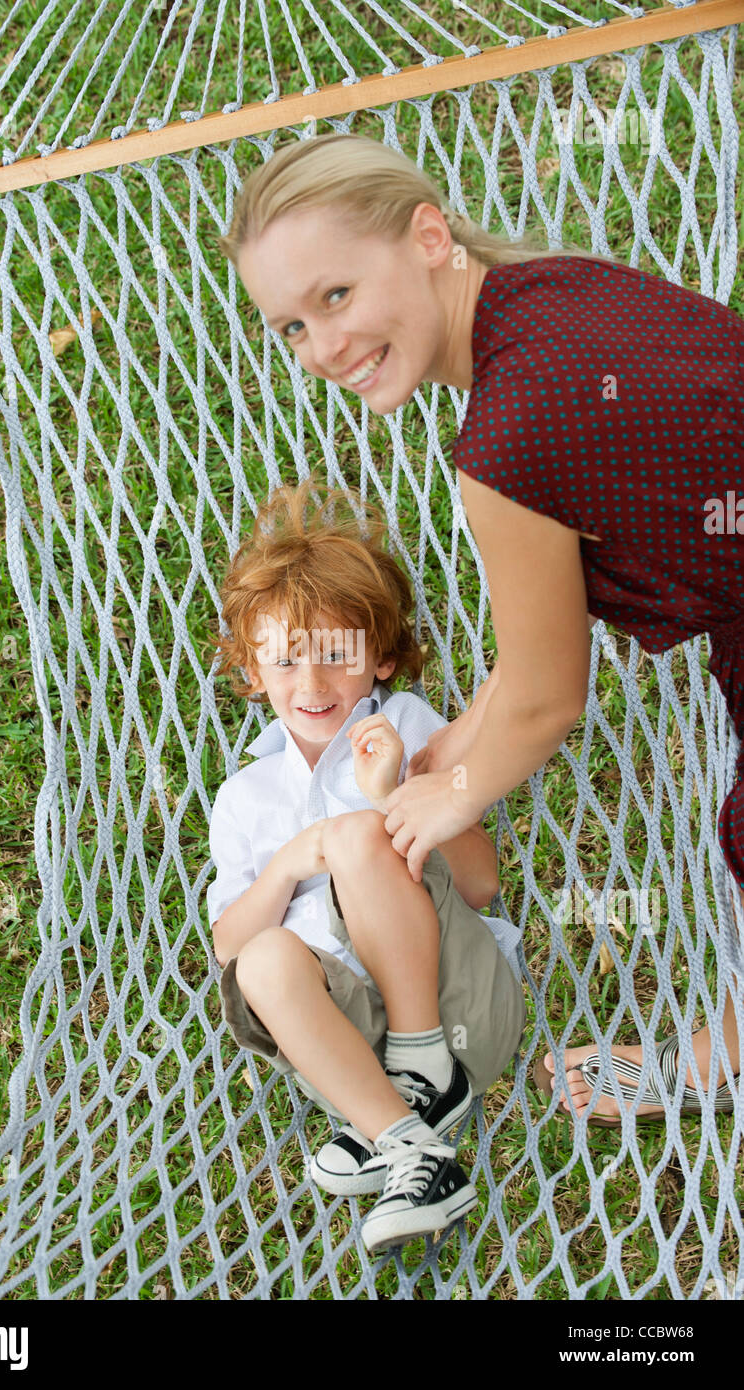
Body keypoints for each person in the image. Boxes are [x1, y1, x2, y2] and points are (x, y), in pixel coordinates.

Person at [218, 130, 743, 1127]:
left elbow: (548, 699)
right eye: (289, 326)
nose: (322, 349)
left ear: (425, 236)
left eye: (335, 296)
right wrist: (446, 751)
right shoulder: (546, 294)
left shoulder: (505, 442)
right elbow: (525, 664)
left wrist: (427, 809)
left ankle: (720, 1063)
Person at [206, 476, 525, 1253]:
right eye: (282, 662)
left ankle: (425, 1073)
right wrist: (289, 862)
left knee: (354, 837)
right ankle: (404, 1139)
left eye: (334, 657)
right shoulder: (244, 795)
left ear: (381, 659)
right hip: (349, 1057)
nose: (309, 684)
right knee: (264, 957)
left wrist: (397, 796)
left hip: (458, 1009)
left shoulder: (411, 729)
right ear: (252, 673)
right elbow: (225, 942)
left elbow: (481, 882)